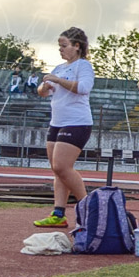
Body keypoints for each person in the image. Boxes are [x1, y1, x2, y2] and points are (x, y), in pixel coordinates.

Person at [33, 28, 94, 228]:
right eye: (59, 46)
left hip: (77, 122)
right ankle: (58, 213)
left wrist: (58, 80)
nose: (60, 49)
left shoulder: (83, 66)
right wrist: (44, 87)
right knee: (57, 170)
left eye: (64, 46)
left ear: (77, 46)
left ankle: (87, 208)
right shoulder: (59, 67)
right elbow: (42, 93)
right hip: (57, 122)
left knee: (62, 167)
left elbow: (83, 88)